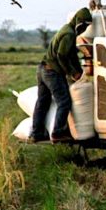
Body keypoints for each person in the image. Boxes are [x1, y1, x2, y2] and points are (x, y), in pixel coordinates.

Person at [29, 8, 92, 143]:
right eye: (84, 25)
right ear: (78, 22)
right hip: (52, 72)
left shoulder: (67, 31)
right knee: (64, 102)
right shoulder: (69, 34)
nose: (85, 29)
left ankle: (36, 133)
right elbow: (62, 55)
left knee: (42, 102)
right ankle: (58, 133)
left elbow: (71, 55)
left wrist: (78, 70)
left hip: (42, 69)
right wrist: (71, 72)